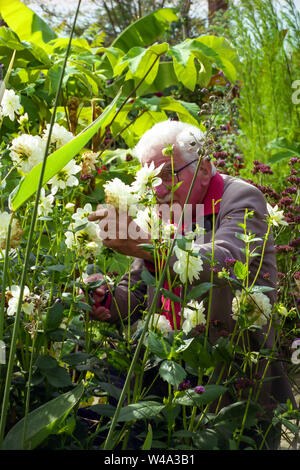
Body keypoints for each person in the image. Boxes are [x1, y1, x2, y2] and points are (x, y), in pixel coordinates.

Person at [86, 120, 295, 449]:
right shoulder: (164, 211)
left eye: (169, 174)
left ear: (205, 166)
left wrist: (149, 244)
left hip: (228, 369)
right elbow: (140, 289)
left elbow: (225, 260)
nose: (157, 188)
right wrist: (105, 298)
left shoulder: (240, 197)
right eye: (152, 178)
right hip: (169, 363)